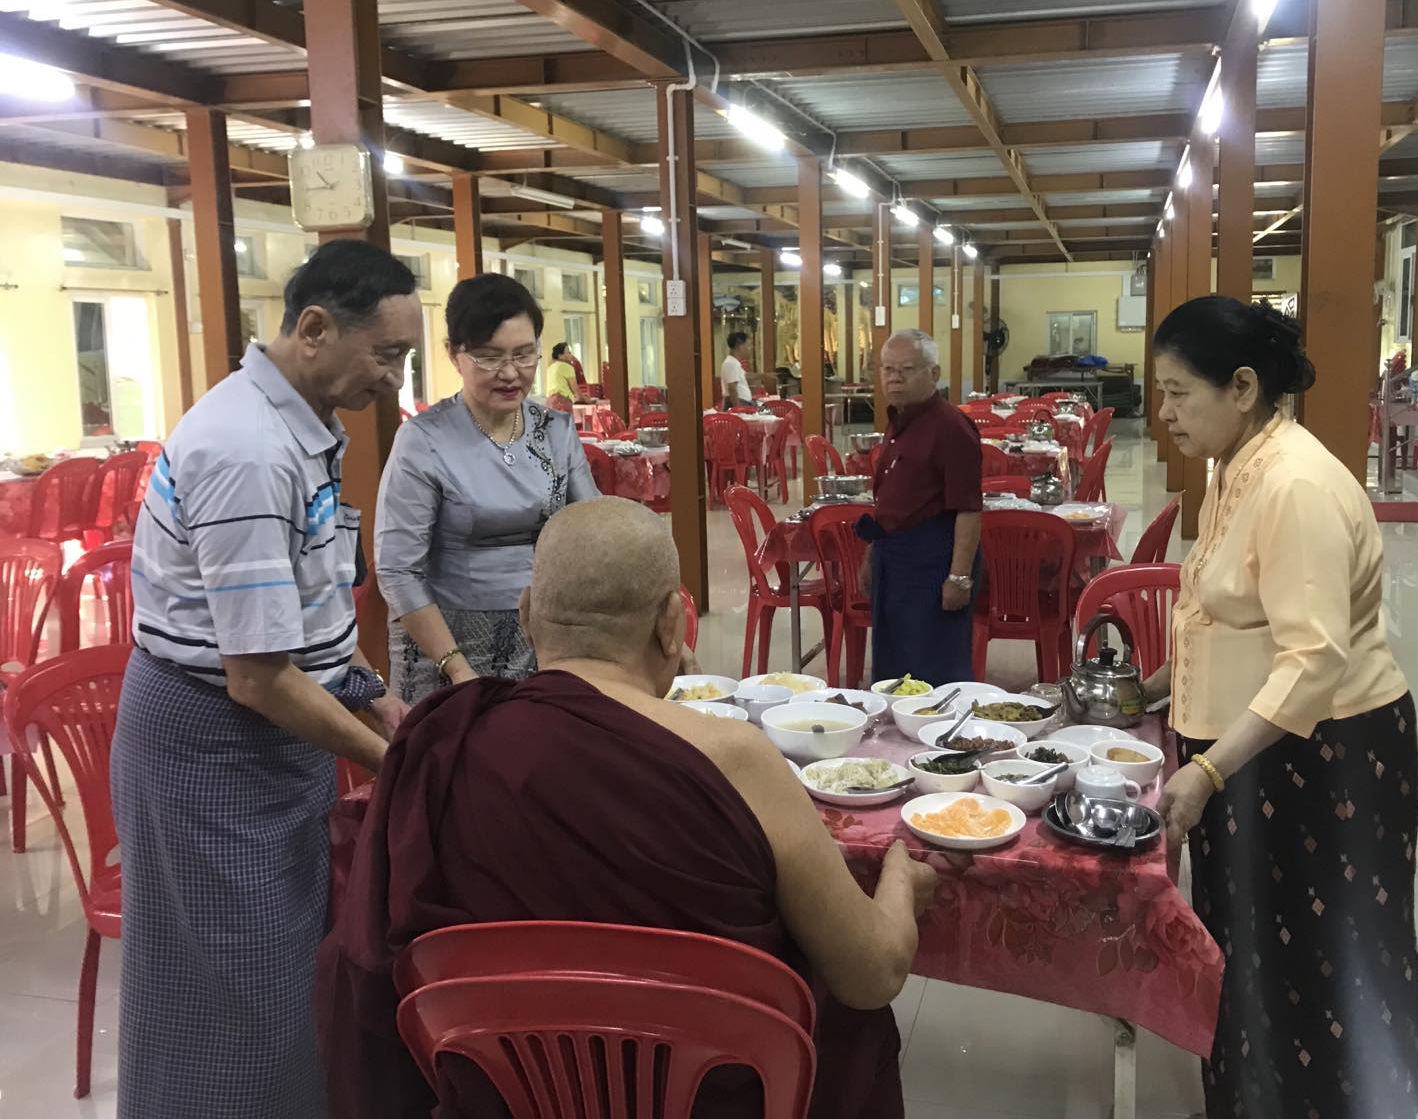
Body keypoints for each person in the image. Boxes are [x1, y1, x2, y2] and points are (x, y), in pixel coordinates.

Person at [319, 497, 934, 1119]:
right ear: (672, 624)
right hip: (706, 1097)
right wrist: (900, 882)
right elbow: (871, 976)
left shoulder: (448, 746)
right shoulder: (734, 757)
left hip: (517, 1093)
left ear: (527, 615)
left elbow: (375, 962)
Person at [112, 239, 418, 1119]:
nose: (393, 380)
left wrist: (376, 694)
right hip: (212, 745)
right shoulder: (245, 447)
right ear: (314, 328)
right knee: (232, 992)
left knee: (287, 974)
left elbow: (308, 606)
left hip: (271, 733)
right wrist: (392, 763)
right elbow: (256, 676)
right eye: (386, 355)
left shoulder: (301, 424)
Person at [1144, 296, 1418, 1119]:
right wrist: (1156, 688)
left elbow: (1313, 658)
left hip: (1324, 756)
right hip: (1255, 748)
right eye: (1161, 392)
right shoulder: (1237, 461)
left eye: (1178, 392)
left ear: (1242, 387)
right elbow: (1231, 613)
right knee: (1248, 946)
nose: (1163, 412)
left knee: (1318, 957)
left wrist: (1206, 772)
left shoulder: (1294, 483)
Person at [375, 274, 598, 704]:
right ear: (453, 355)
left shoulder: (555, 430)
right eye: (489, 357)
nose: (510, 373)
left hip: (541, 637)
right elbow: (398, 570)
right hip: (446, 645)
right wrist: (459, 670)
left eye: (524, 354)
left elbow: (594, 528)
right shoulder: (424, 441)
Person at [860, 329, 982, 685]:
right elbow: (891, 501)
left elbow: (969, 509)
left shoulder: (951, 427)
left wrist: (959, 578)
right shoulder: (900, 421)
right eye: (887, 369)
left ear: (934, 373)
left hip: (932, 562)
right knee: (893, 666)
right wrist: (872, 555)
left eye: (906, 369)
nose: (894, 378)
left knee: (934, 668)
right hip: (894, 559)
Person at [722, 329, 754, 407]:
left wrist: (764, 375)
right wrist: (738, 409)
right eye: (748, 345)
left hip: (743, 402)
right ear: (739, 346)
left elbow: (745, 376)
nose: (750, 348)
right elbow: (732, 388)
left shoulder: (734, 362)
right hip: (739, 403)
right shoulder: (731, 363)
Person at [544, 340, 580, 409]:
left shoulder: (550, 368)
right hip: (563, 402)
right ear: (560, 356)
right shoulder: (567, 367)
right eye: (568, 352)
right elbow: (575, 389)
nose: (571, 355)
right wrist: (585, 399)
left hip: (549, 402)